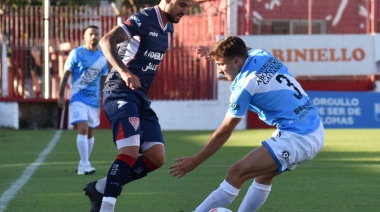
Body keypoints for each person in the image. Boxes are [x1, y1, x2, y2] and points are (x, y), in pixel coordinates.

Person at [169, 36, 324, 211]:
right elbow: (243, 50)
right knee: (263, 176)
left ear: (236, 61)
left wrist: (195, 161)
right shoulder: (262, 55)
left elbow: (225, 130)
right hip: (314, 127)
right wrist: (216, 53)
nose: (219, 70)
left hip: (298, 137)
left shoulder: (244, 86)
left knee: (236, 172)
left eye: (220, 64)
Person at [82, 0, 193, 211]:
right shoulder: (144, 19)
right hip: (119, 91)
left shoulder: (168, 26)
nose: (184, 11)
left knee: (156, 156)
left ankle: (101, 187)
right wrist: (125, 72)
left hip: (140, 97)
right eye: (181, 5)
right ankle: (106, 207)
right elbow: (107, 40)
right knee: (130, 151)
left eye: (188, 6)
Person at [57, 25, 108, 175]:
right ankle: (86, 164)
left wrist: (104, 97)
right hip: (77, 97)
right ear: (84, 36)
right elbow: (66, 74)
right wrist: (61, 95)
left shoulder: (102, 57)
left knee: (91, 132)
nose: (94, 37)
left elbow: (103, 79)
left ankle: (82, 163)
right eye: (91, 34)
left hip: (94, 100)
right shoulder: (76, 53)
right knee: (83, 129)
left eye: (96, 34)